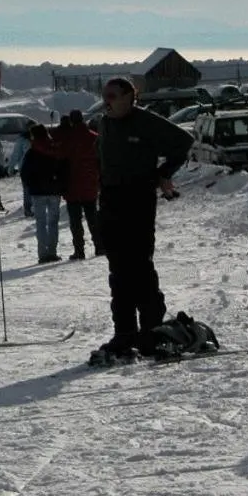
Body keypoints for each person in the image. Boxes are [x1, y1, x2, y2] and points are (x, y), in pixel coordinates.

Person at [92, 76, 195, 364]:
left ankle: (152, 329)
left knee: (139, 265)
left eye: (112, 95)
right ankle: (124, 332)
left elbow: (184, 142)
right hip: (111, 201)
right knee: (118, 269)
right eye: (104, 95)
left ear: (129, 96)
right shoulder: (104, 123)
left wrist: (163, 174)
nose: (107, 101)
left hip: (138, 200)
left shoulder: (145, 121)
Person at [21, 124, 65, 264]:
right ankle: (52, 251)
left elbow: (24, 173)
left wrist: (30, 186)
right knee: (53, 222)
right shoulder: (54, 148)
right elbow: (63, 167)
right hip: (54, 190)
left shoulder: (32, 152)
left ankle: (43, 254)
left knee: (40, 223)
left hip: (38, 192)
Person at [62, 110, 103, 259]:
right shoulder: (94, 138)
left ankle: (79, 250)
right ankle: (100, 246)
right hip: (90, 184)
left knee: (75, 221)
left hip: (72, 186)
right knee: (93, 218)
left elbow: (60, 159)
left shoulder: (67, 139)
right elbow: (101, 161)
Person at [9, 130, 33, 217]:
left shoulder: (40, 139)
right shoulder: (22, 141)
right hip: (25, 168)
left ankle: (35, 207)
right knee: (27, 189)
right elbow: (16, 154)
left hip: (37, 168)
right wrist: (11, 167)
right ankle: (28, 208)